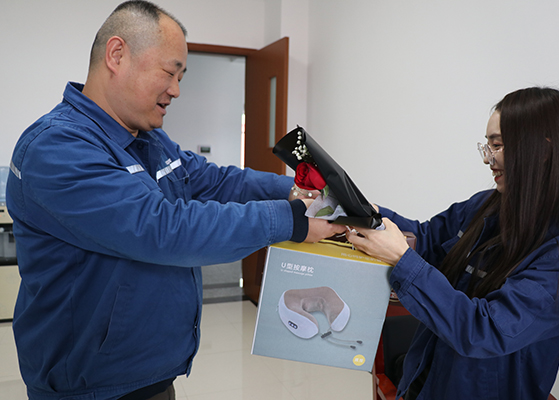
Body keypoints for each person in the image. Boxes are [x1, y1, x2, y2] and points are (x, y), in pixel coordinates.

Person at [6, 1, 344, 400]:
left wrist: (294, 191)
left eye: (181, 77)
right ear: (117, 55)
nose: (176, 90)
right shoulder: (58, 147)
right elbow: (162, 229)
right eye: (169, 72)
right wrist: (291, 219)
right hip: (91, 387)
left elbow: (216, 182)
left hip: (151, 374)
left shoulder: (148, 139)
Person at [347, 87, 559, 400]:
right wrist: (368, 213)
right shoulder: (485, 207)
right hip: (424, 384)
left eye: (498, 145)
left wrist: (401, 259)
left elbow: (484, 331)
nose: (489, 159)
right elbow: (427, 239)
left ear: (543, 150)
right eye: (488, 146)